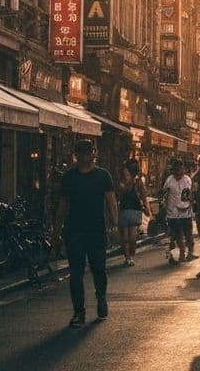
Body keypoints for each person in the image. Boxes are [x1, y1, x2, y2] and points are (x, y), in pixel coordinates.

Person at [51, 140, 117, 327]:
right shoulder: (70, 177)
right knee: (76, 273)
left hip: (96, 230)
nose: (84, 156)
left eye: (87, 152)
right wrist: (56, 231)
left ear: (93, 154)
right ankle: (78, 312)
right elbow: (63, 205)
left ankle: (101, 297)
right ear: (76, 155)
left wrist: (114, 224)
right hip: (74, 231)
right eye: (81, 152)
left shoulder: (103, 176)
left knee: (98, 269)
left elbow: (111, 201)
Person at [162, 160, 195, 264]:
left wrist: (187, 207)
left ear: (183, 169)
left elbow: (188, 196)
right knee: (177, 234)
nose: (178, 171)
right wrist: (164, 205)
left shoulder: (187, 180)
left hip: (185, 211)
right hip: (173, 212)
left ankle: (190, 252)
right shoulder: (169, 180)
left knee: (188, 233)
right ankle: (181, 253)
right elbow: (165, 194)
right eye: (176, 169)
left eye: (180, 168)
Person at [116, 163, 146, 266]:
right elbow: (118, 197)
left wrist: (147, 208)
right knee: (125, 237)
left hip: (135, 211)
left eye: (127, 174)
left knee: (132, 237)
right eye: (124, 174)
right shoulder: (120, 184)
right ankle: (127, 257)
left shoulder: (137, 183)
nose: (126, 176)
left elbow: (143, 195)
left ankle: (132, 255)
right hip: (124, 211)